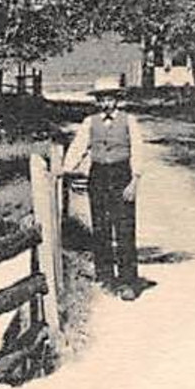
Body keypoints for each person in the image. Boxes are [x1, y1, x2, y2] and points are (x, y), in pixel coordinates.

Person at [62, 77, 145, 300]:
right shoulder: (90, 122)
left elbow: (137, 151)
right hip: (98, 176)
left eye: (110, 98)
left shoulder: (129, 121)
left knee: (125, 229)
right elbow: (78, 147)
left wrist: (134, 181)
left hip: (122, 175)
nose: (106, 103)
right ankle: (106, 277)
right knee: (101, 228)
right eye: (102, 99)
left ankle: (128, 281)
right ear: (97, 101)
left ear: (117, 100)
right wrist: (66, 170)